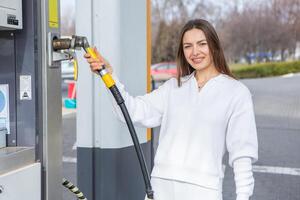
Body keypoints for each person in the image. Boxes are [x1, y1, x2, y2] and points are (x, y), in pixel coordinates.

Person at [85, 19, 258, 200]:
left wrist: (243, 196)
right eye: (187, 46)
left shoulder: (236, 93)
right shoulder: (173, 88)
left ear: (214, 46)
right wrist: (108, 75)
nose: (195, 52)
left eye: (202, 44)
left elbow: (242, 154)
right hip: (161, 188)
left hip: (204, 191)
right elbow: (130, 111)